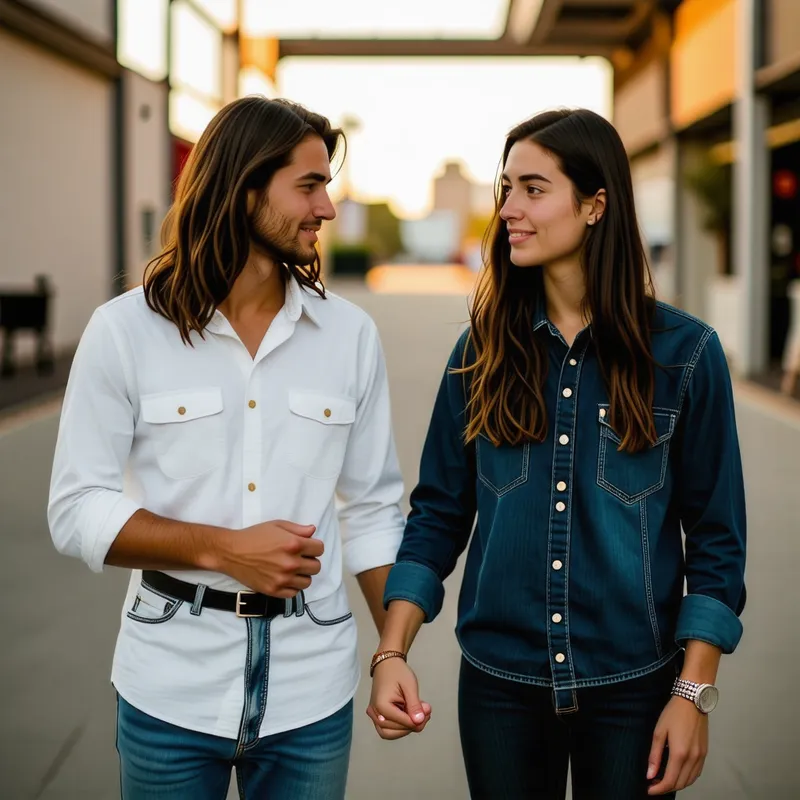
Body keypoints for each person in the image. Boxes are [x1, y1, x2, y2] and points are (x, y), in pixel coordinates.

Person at [368, 108, 746, 799]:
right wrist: (392, 650)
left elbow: (717, 542)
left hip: (635, 689)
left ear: (596, 204)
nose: (508, 208)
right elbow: (437, 516)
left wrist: (692, 695)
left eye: (533, 189)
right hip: (499, 690)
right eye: (504, 188)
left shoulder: (686, 357)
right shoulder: (480, 353)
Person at [48, 96, 407, 800]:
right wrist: (221, 548)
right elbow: (77, 508)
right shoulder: (125, 330)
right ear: (244, 192)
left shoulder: (349, 335)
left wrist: (391, 650)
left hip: (314, 691)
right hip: (168, 689)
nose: (327, 209)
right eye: (309, 186)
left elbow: (372, 509)